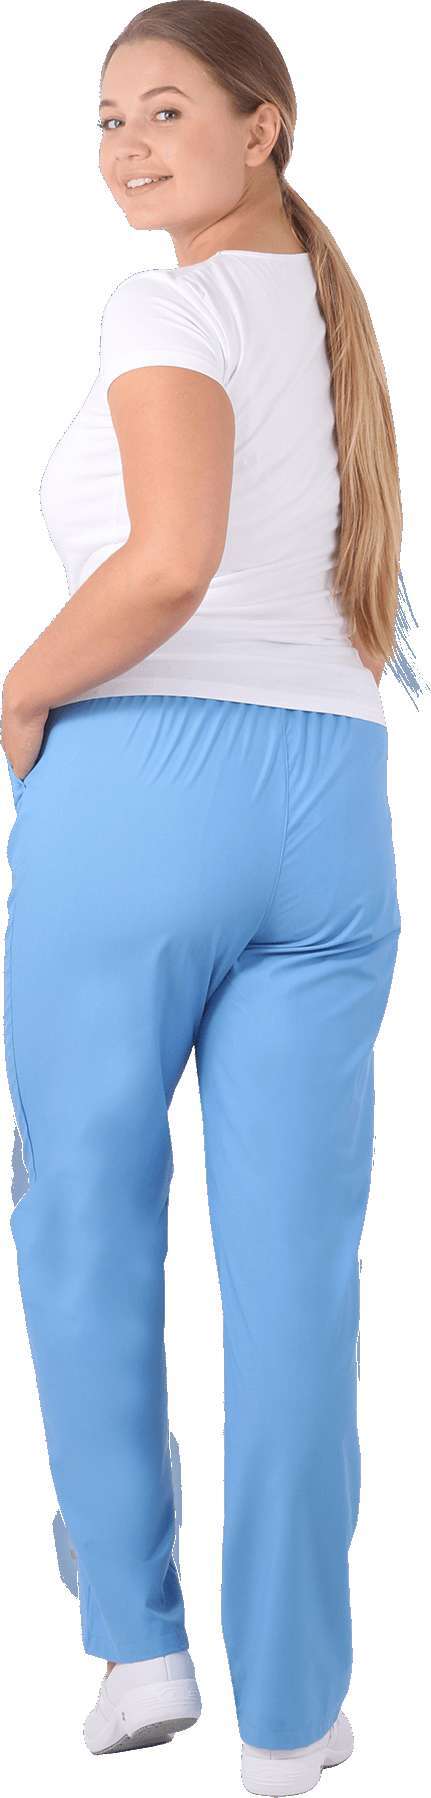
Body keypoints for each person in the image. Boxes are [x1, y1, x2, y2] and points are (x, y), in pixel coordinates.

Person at [1, 6, 404, 1792]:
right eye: (106, 120)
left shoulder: (164, 311)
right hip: (332, 810)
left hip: (144, 785)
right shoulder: (332, 330)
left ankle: (142, 1639)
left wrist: (18, 692)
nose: (128, 146)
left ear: (266, 126)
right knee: (297, 1273)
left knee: (85, 1206)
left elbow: (167, 568)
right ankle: (296, 1713)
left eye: (166, 110)